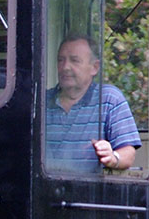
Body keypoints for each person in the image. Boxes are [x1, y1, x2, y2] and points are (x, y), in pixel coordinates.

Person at [45, 34, 140, 174]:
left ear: (94, 67)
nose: (65, 67)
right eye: (61, 60)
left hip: (88, 191)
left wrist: (113, 158)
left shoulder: (109, 99)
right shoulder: (42, 101)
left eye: (74, 60)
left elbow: (128, 153)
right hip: (45, 190)